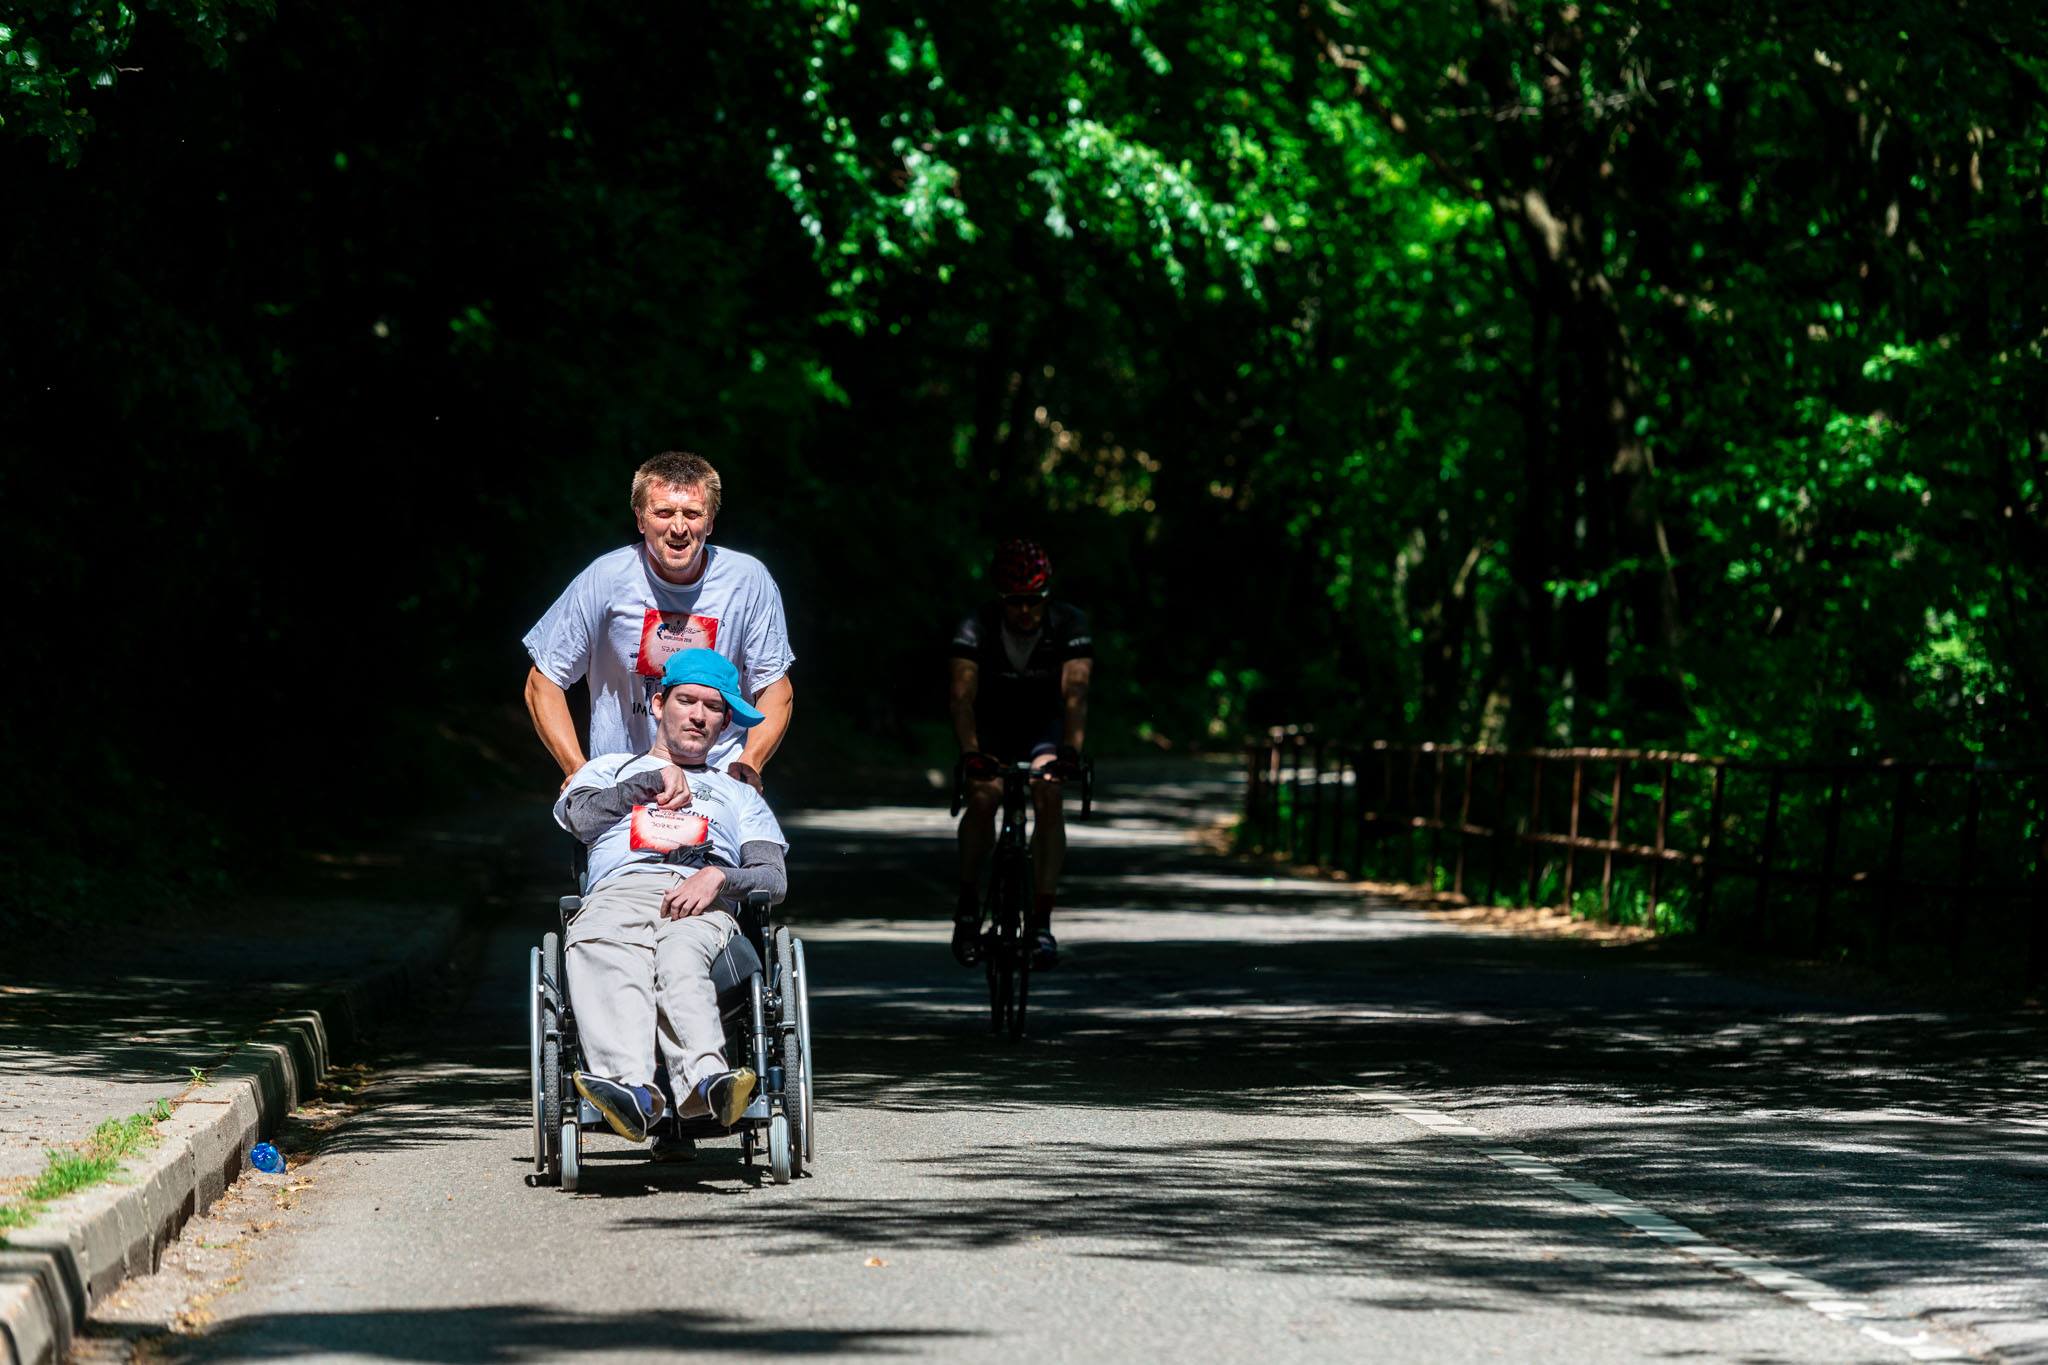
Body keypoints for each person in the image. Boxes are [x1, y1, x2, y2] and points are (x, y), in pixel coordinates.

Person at [553, 648, 788, 1150]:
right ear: (658, 704)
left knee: (680, 956)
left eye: (713, 708)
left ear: (726, 723)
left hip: (703, 903)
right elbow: (580, 820)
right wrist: (645, 784)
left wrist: (719, 878)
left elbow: (773, 875)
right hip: (621, 889)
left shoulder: (740, 794)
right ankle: (631, 1090)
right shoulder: (608, 769)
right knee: (599, 937)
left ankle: (708, 1083)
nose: (699, 715)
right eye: (686, 701)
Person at [524, 451, 795, 794]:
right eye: (664, 512)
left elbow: (774, 686)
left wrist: (749, 763)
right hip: (619, 784)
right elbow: (543, 681)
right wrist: (579, 772)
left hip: (717, 786)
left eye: (693, 514)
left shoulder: (747, 581)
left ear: (710, 522)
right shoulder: (605, 579)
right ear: (640, 519)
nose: (678, 527)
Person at [948, 538, 1091, 970]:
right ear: (1000, 599)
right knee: (984, 797)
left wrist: (1071, 752)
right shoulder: (977, 625)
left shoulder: (1069, 623)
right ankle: (970, 900)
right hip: (991, 728)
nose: (1026, 611)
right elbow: (961, 697)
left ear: (1047, 597)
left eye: (1034, 601)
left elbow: (1076, 694)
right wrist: (971, 752)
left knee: (1049, 795)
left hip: (1042, 729)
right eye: (1015, 602)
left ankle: (1042, 921)